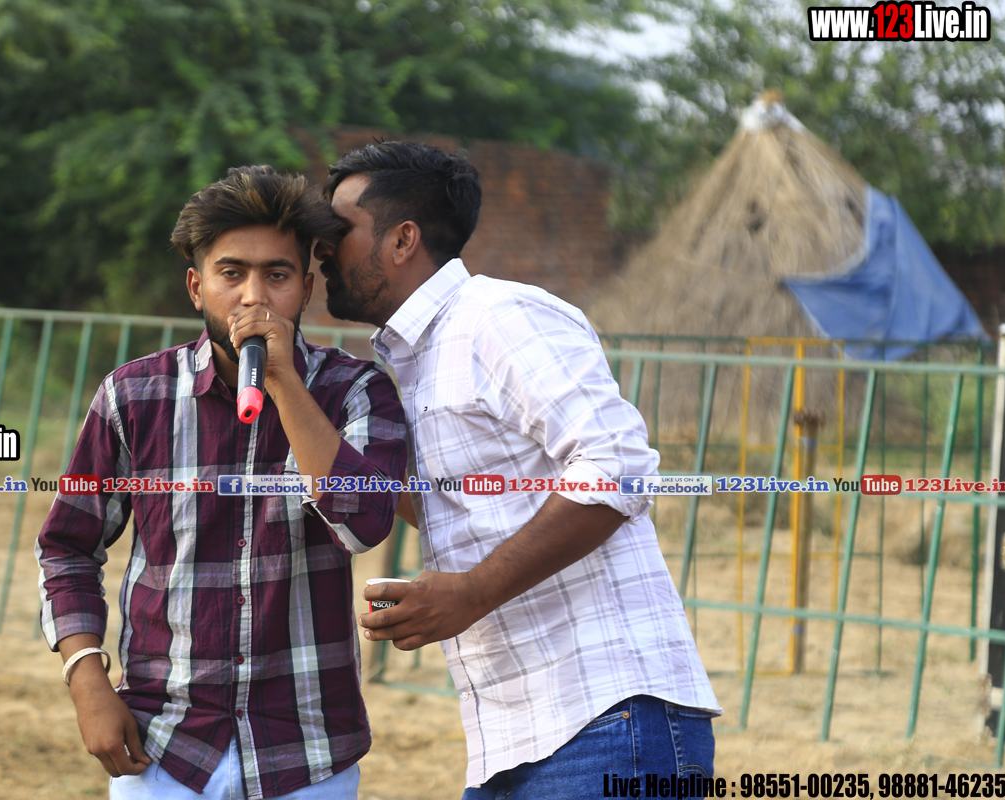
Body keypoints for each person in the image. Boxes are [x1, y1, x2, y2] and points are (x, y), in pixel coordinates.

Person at [319, 142, 721, 797]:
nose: (321, 249)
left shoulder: (497, 318)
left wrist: (472, 591)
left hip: (609, 720)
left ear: (402, 239)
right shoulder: (413, 361)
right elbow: (459, 504)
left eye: (338, 230)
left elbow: (617, 466)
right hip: (518, 741)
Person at [36, 165, 408, 800]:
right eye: (231, 273)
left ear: (306, 288)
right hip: (163, 745)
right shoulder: (134, 396)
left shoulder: (355, 390)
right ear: (196, 286)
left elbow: (363, 525)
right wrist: (86, 680)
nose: (253, 298)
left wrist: (283, 382)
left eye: (277, 276)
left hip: (308, 749)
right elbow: (68, 544)